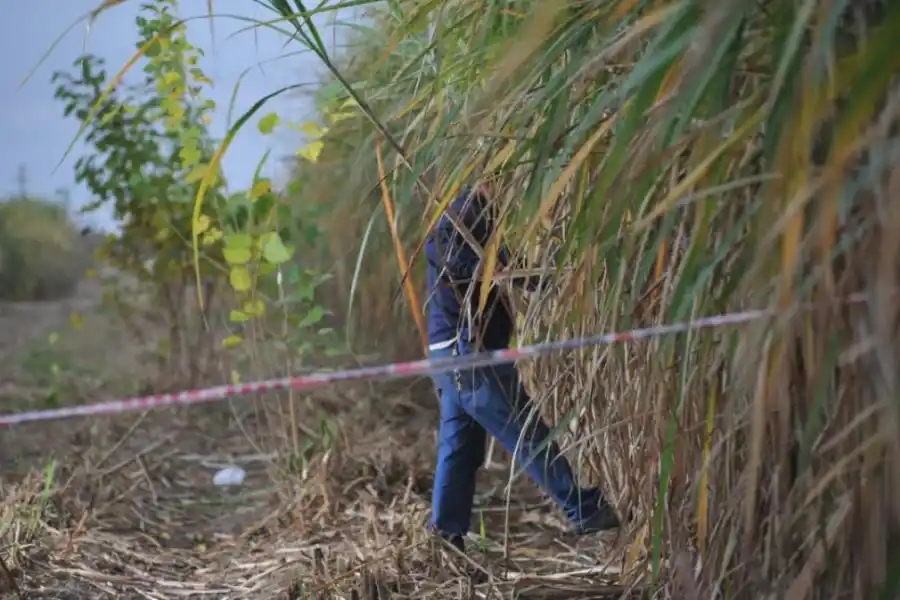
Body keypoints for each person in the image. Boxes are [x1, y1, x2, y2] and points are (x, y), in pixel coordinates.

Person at [424, 185, 620, 552]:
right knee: (523, 427)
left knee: (460, 448)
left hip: (455, 357)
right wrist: (493, 268)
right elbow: (460, 262)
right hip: (465, 354)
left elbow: (514, 273)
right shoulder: (455, 221)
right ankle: (583, 510)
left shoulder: (479, 224)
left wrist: (560, 274)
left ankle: (446, 534)